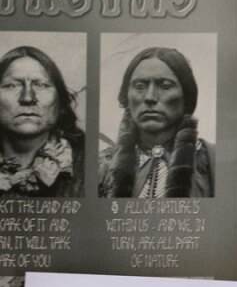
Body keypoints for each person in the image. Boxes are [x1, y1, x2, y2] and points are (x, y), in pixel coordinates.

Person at [98, 47, 214, 198]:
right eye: (139, 86)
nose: (150, 97)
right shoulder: (101, 167)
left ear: (186, 96)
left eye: (165, 86)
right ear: (127, 96)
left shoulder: (213, 163)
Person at [0, 45, 83, 198]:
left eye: (41, 85)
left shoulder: (93, 164)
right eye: (12, 85)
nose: (27, 98)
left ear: (61, 103)